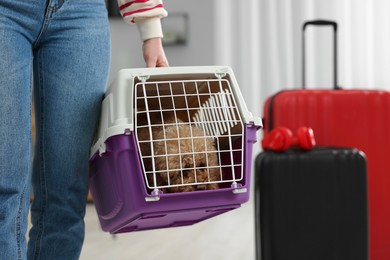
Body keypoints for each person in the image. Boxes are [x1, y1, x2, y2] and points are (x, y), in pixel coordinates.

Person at [0, 0, 168, 259]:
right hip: (7, 10)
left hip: (80, 13)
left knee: (67, 192)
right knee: (4, 186)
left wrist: (151, 29)